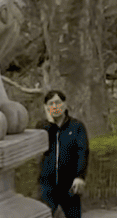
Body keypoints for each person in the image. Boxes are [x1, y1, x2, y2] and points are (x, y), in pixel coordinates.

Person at [38, 89, 89, 218]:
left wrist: (80, 176)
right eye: (50, 104)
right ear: (46, 107)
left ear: (65, 104)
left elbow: (82, 152)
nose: (54, 106)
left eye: (57, 102)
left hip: (69, 184)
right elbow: (41, 146)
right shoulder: (42, 127)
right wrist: (50, 123)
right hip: (47, 184)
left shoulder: (76, 126)